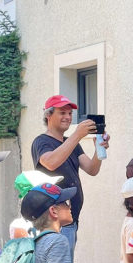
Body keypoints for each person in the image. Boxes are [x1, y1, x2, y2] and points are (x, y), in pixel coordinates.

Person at [32, 94, 109, 254]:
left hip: (70, 220)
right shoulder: (41, 141)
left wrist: (98, 148)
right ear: (48, 115)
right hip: (53, 222)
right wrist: (77, 135)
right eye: (62, 113)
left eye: (70, 114)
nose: (68, 117)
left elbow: (92, 169)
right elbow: (50, 162)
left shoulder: (71, 142)